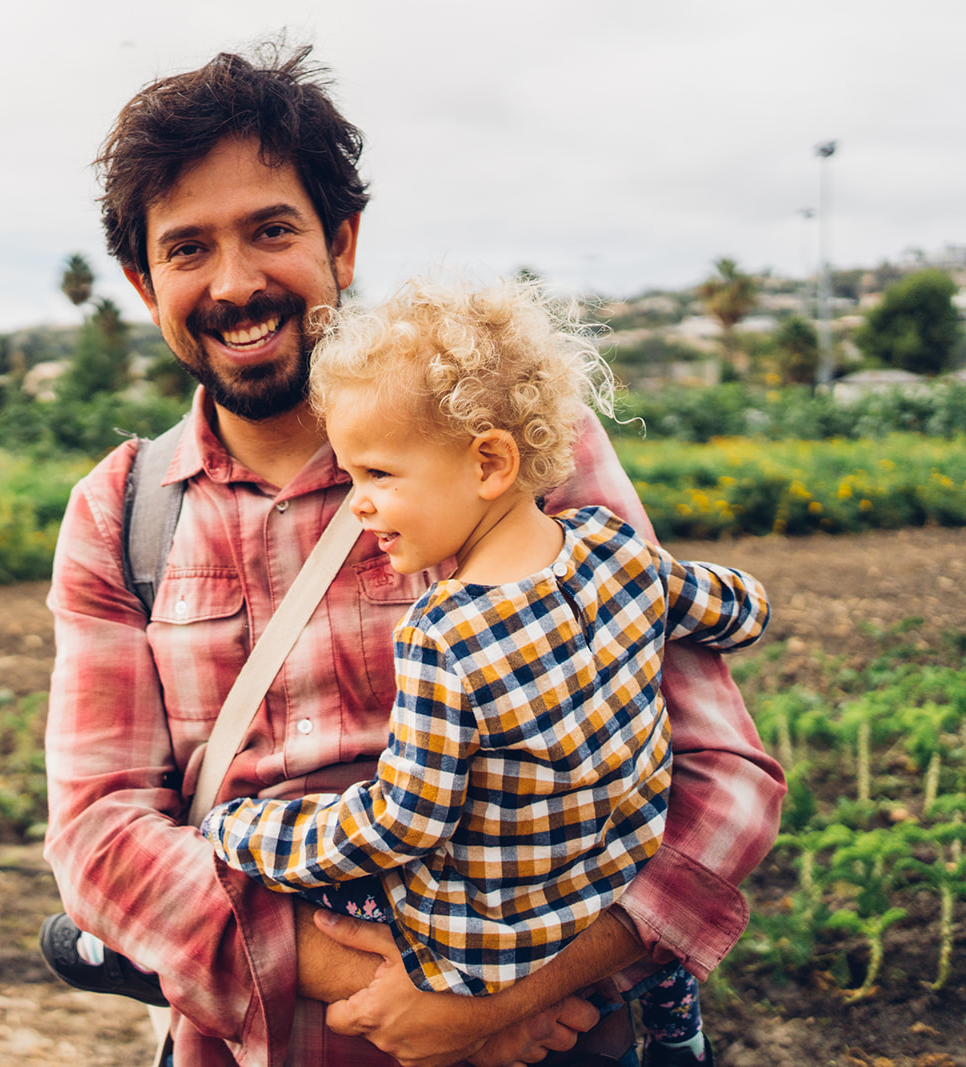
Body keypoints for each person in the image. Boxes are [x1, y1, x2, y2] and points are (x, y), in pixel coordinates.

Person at [42, 43, 784, 1067]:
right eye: (186, 249)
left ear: (341, 242)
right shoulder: (122, 515)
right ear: (141, 283)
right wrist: (412, 982)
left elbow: (722, 775)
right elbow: (99, 837)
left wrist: (518, 988)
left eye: (270, 230)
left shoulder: (512, 451)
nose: (236, 283)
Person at [197, 276, 769, 1067]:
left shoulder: (443, 636)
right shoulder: (615, 548)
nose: (355, 504)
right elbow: (733, 608)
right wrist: (744, 600)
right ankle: (673, 1013)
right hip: (610, 877)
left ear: (490, 461)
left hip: (488, 931)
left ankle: (116, 950)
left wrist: (249, 830)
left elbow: (404, 824)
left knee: (304, 886)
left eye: (378, 475)